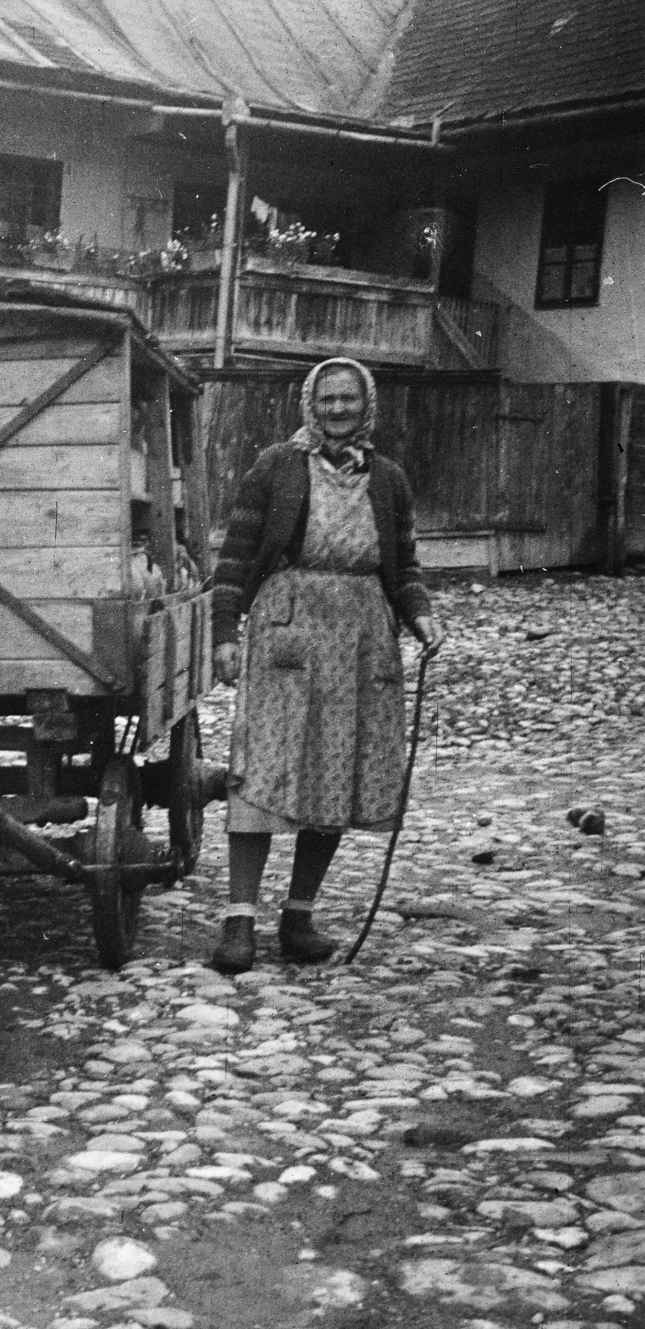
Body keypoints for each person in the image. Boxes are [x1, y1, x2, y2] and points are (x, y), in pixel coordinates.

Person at [209, 357, 444, 975]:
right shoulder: (276, 467)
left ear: (365, 405)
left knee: (337, 771)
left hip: (363, 637)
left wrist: (420, 617)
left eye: (348, 399)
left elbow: (404, 564)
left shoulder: (388, 478)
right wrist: (224, 633)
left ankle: (298, 916)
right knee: (263, 769)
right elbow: (235, 557)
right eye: (327, 399)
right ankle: (240, 923)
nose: (337, 409)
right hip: (289, 627)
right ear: (310, 404)